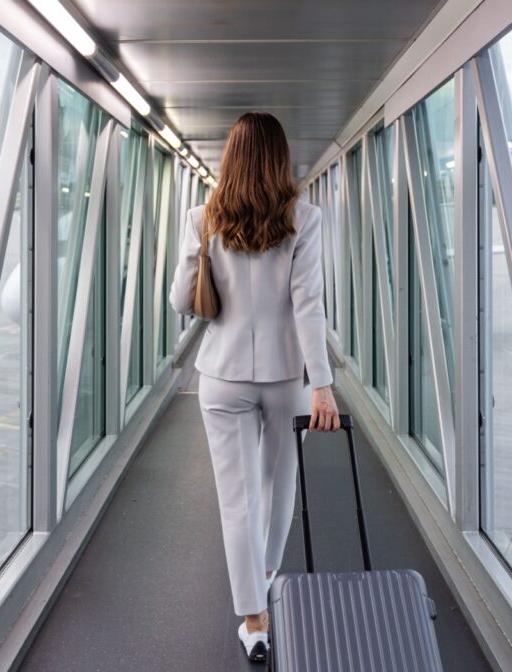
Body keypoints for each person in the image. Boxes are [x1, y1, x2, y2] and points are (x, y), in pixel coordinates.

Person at [169, 111, 340, 664]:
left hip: (220, 376)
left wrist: (200, 254)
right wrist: (323, 384)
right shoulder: (305, 218)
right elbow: (308, 307)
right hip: (287, 374)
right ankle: (265, 577)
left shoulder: (201, 217)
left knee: (236, 500)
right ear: (279, 157)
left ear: (231, 157)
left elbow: (179, 301)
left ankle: (254, 619)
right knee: (278, 486)